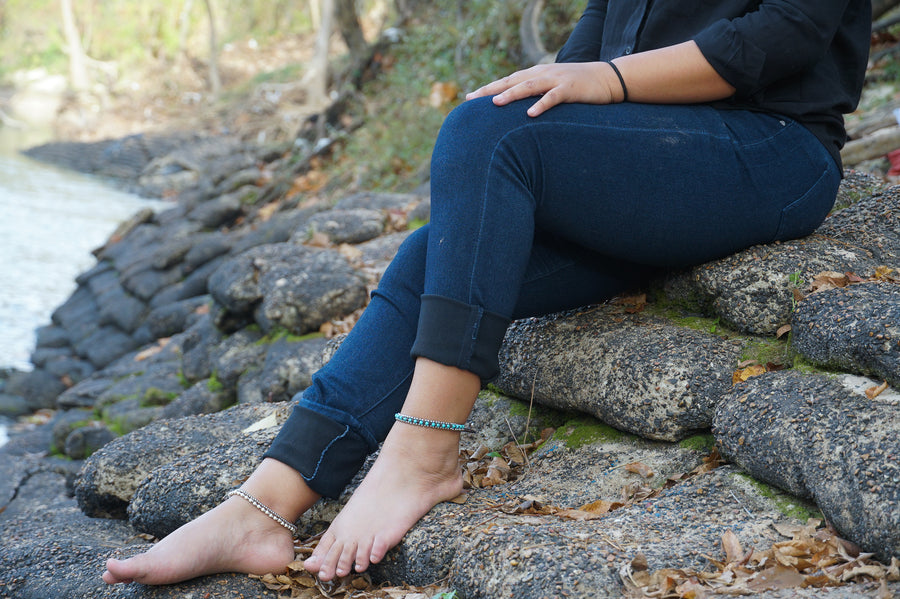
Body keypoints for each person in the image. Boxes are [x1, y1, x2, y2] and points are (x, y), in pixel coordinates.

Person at [102, 0, 871, 586]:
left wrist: (596, 85)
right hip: (648, 160)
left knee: (486, 133)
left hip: (770, 151)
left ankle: (427, 449)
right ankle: (264, 504)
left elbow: (784, 34)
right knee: (431, 247)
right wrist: (543, 96)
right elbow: (597, 39)